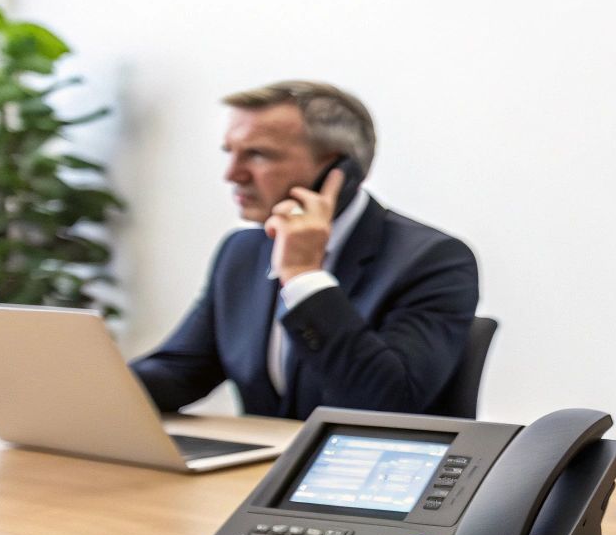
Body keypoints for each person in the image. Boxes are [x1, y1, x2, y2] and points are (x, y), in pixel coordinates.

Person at [132, 81, 478, 419]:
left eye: (258, 154)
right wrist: (102, 387)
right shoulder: (243, 251)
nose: (233, 174)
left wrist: (303, 276)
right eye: (230, 152)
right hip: (266, 456)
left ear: (339, 171)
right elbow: (182, 372)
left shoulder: (434, 260)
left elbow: (386, 403)